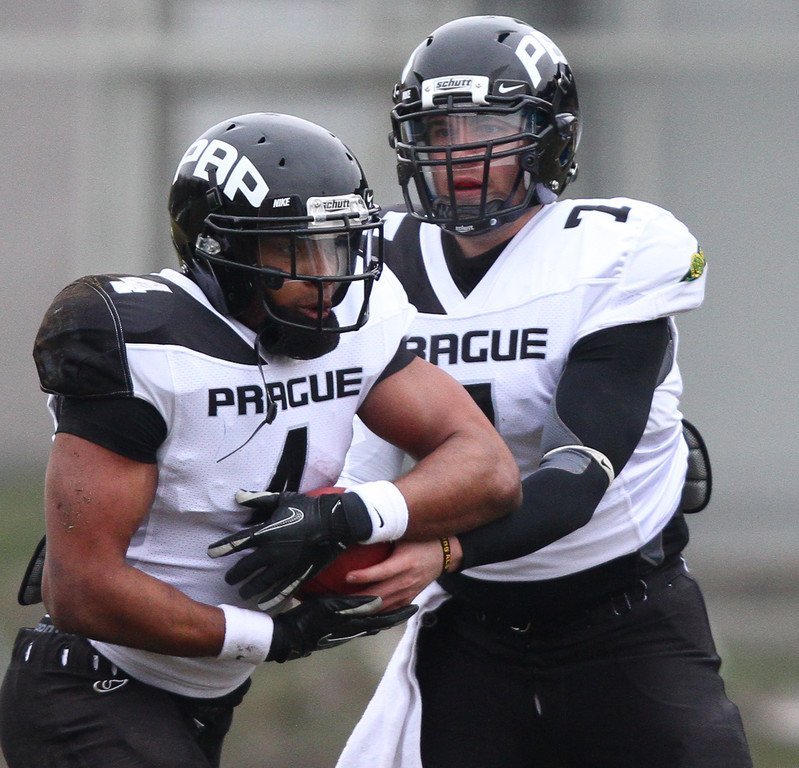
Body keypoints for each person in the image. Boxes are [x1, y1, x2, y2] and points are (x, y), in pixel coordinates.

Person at [0, 112, 521, 768]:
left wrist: (348, 514)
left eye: (338, 246)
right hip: (94, 687)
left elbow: (487, 467)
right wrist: (274, 635)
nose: (327, 277)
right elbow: (80, 589)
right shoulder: (145, 343)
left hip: (203, 696)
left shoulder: (353, 328)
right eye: (295, 250)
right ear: (223, 250)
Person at [333, 16, 753, 768]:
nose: (460, 151)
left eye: (488, 125)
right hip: (473, 626)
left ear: (548, 136)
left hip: (624, 619)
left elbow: (576, 475)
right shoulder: (374, 262)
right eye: (439, 129)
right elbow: (352, 451)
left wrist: (444, 550)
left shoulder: (616, 249)